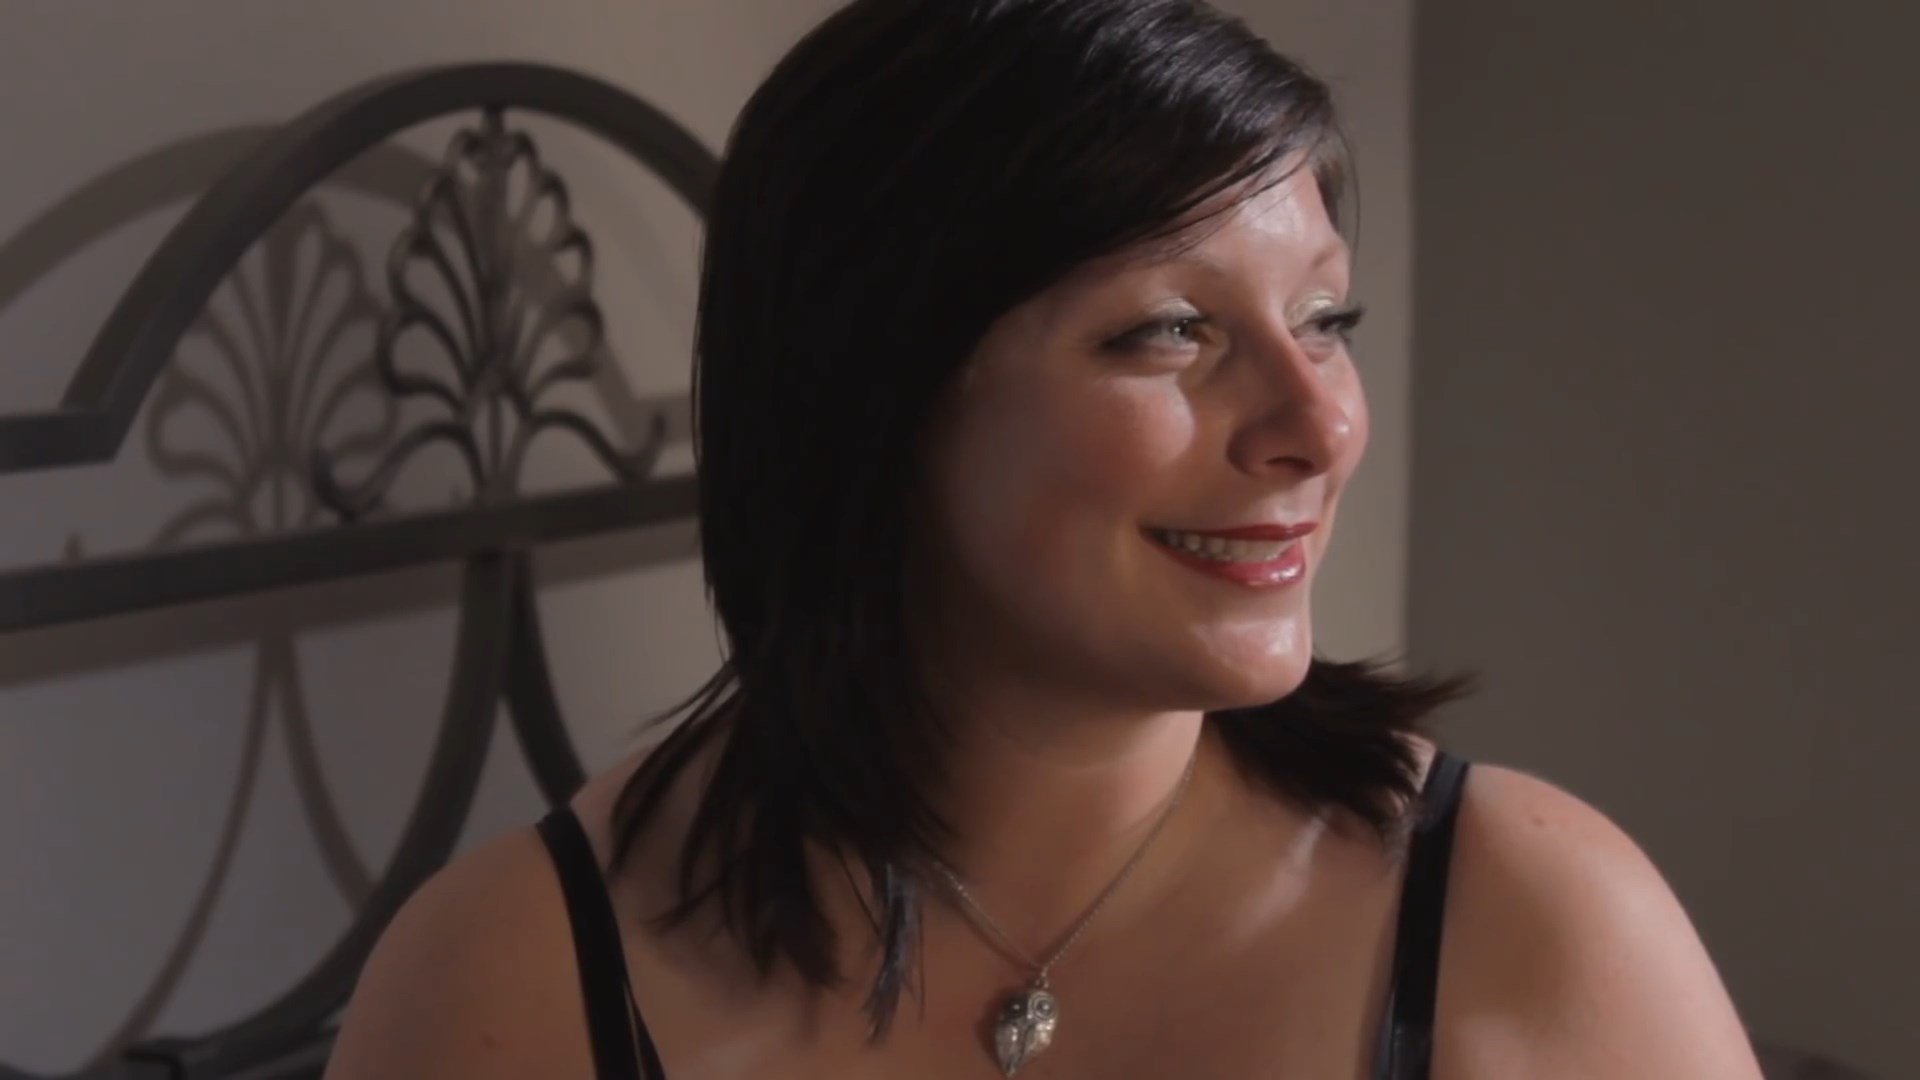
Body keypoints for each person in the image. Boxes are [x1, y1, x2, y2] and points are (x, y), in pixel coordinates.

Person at [326, 1, 1765, 1076]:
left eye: (1324, 318)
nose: (1318, 425)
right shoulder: (513, 983)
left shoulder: (1526, 925)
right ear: (877, 398)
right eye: (1171, 330)